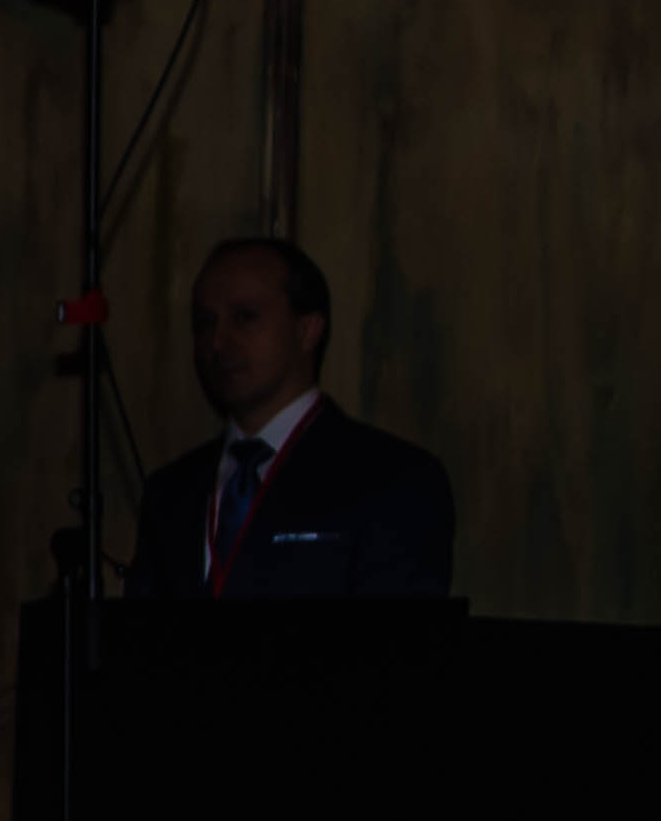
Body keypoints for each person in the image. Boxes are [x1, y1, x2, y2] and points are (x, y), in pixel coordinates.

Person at [130, 234, 454, 600]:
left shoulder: (393, 480)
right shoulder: (170, 494)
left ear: (307, 329)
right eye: (205, 323)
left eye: (244, 317)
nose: (217, 343)